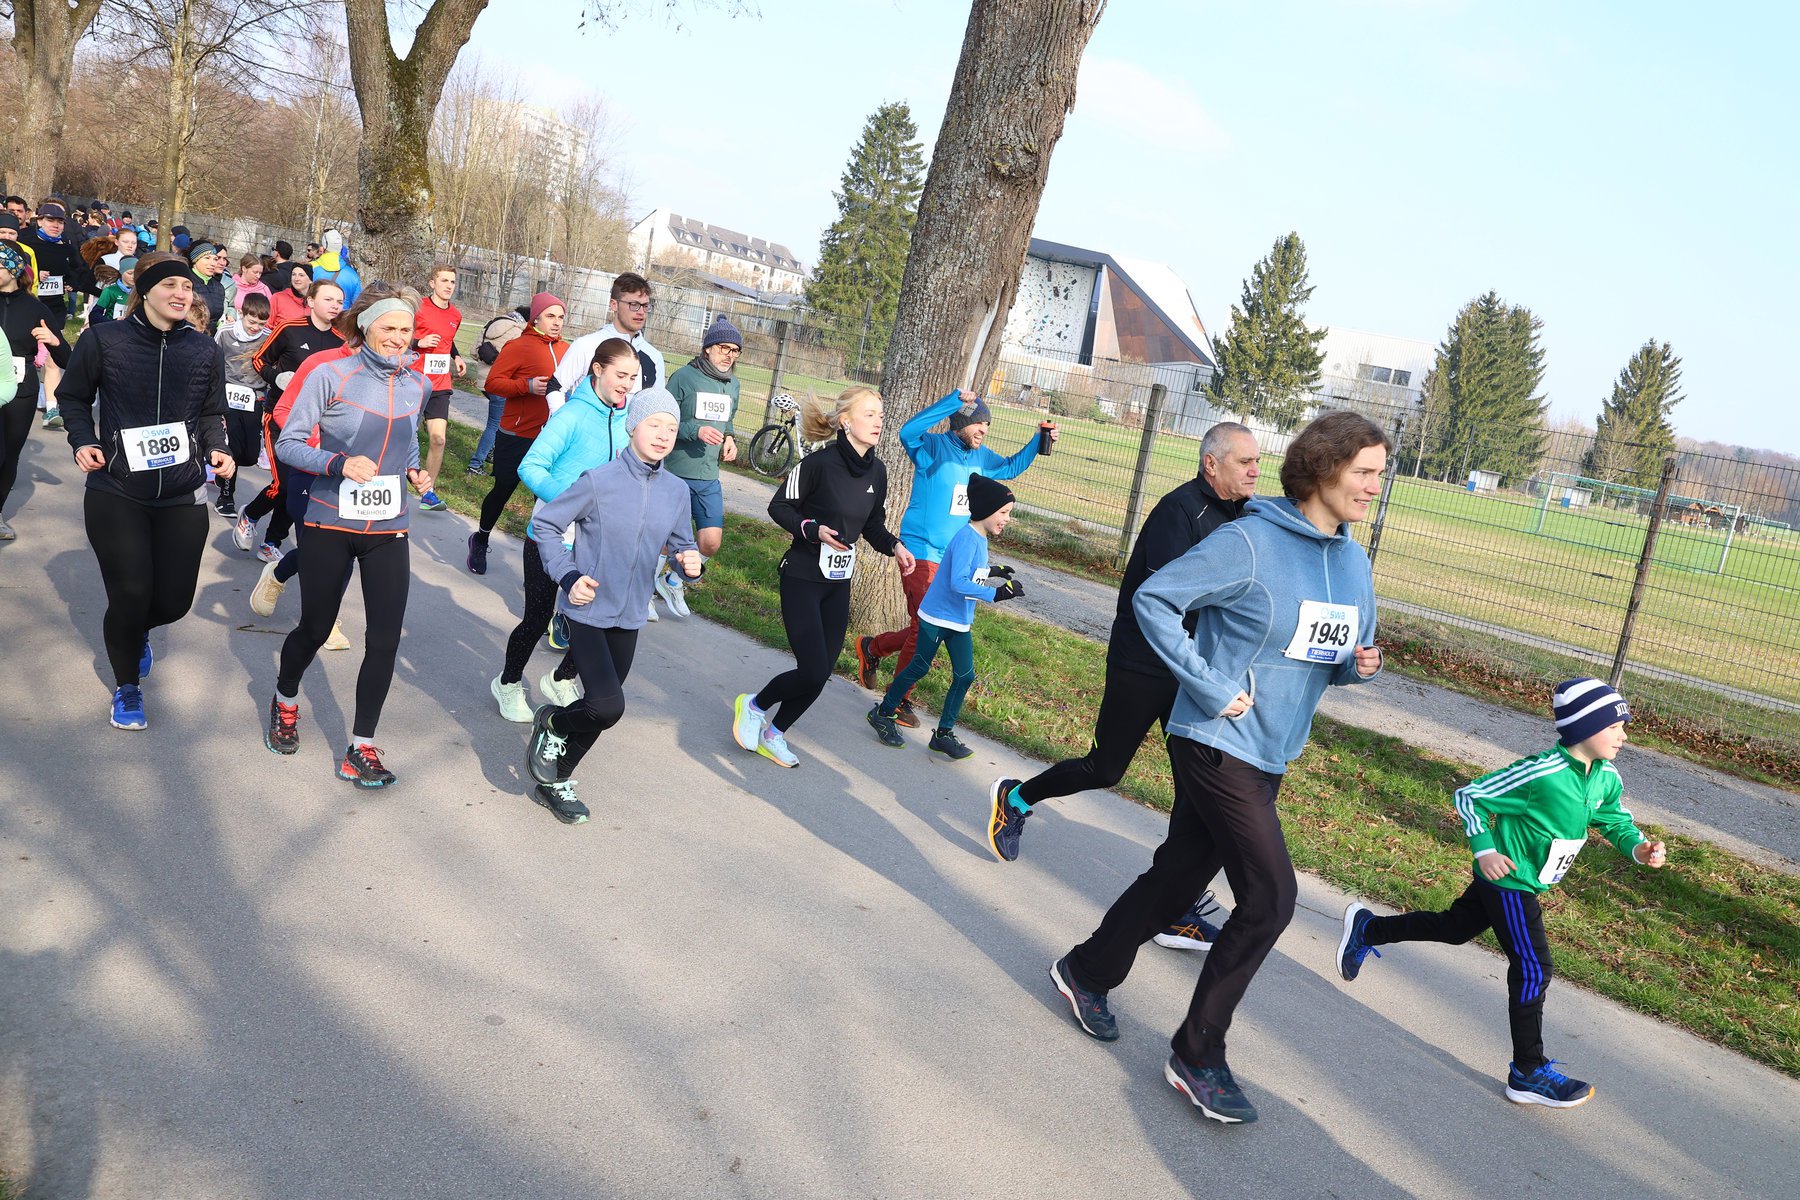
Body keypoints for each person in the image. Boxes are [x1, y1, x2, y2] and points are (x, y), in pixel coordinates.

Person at [1048, 410, 1388, 1127]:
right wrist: (1207, 683)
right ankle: (1198, 1051)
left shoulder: (1354, 563)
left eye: (1378, 475)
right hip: (1213, 738)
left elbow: (1328, 659)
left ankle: (1087, 969)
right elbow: (1154, 599)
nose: (1373, 486)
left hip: (1272, 750)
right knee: (1271, 899)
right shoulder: (1249, 542)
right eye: (1364, 472)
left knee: (1179, 876)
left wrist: (1359, 666)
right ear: (1323, 468)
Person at [1337, 678, 1667, 1110]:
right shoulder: (1540, 773)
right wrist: (1485, 849)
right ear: (1584, 727)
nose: (1623, 736)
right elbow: (1469, 797)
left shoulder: (1605, 776)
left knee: (1455, 928)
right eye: (1614, 727)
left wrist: (1639, 849)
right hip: (1509, 880)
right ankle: (1528, 1071)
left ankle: (1368, 929)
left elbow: (1614, 819)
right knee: (1533, 968)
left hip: (1527, 880)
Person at [987, 422, 1260, 872]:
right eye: (1245, 462)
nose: (1255, 471)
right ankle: (1016, 797)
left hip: (1195, 671)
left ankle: (1174, 893)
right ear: (1211, 464)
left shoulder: (1243, 515)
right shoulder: (1180, 511)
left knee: (1194, 786)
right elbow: (1166, 595)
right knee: (1105, 768)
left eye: (1257, 463)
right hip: (1145, 662)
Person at [58, 252, 235, 729]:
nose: (181, 294)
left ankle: (135, 631)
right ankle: (127, 688)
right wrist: (84, 440)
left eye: (188, 287)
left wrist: (218, 448)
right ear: (146, 291)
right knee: (131, 592)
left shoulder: (203, 350)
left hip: (181, 491)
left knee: (174, 601)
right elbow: (72, 396)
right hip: (117, 488)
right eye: (171, 285)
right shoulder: (104, 340)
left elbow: (210, 412)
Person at [263, 291, 431, 786]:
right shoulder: (330, 374)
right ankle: (285, 700)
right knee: (316, 627)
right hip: (329, 521)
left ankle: (361, 746)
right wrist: (338, 463)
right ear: (366, 329)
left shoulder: (417, 384)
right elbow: (289, 444)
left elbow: (407, 438)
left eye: (406, 330)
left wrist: (414, 470)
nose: (398, 339)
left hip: (388, 526)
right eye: (389, 329)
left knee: (384, 639)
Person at [523, 388, 703, 823]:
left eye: (671, 428)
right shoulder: (598, 481)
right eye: (654, 424)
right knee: (607, 706)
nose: (663, 435)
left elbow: (682, 545)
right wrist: (568, 576)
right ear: (633, 427)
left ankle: (556, 780)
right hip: (586, 609)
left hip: (631, 614)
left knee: (600, 709)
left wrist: (690, 564)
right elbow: (545, 525)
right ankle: (552, 722)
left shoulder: (677, 491)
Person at [731, 387, 917, 768]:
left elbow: (872, 525)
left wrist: (895, 546)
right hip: (802, 575)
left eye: (880, 415)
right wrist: (813, 530)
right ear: (846, 421)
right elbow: (778, 507)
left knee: (821, 673)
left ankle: (774, 733)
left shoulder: (878, 472)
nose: (878, 422)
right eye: (869, 414)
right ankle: (754, 705)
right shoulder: (818, 464)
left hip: (837, 584)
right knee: (813, 668)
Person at [856, 389, 1055, 728]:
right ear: (961, 422)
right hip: (921, 551)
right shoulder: (931, 448)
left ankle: (873, 648)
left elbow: (1010, 467)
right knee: (925, 627)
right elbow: (907, 432)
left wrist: (1039, 440)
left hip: (953, 559)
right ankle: (898, 699)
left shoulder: (980, 456)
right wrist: (953, 402)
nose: (984, 430)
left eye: (987, 425)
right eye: (979, 423)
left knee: (929, 626)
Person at [493, 338, 638, 722]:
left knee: (595, 619)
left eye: (632, 377)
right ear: (598, 370)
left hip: (597, 542)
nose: (627, 384)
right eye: (621, 375)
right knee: (537, 618)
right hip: (552, 536)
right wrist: (573, 502)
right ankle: (508, 683)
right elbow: (530, 466)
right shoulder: (571, 415)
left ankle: (561, 678)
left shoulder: (628, 421)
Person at [866, 474, 1023, 760]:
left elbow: (969, 571)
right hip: (937, 617)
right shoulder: (966, 538)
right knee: (918, 667)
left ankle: (943, 735)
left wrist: (994, 571)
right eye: (1003, 512)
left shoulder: (980, 538)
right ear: (987, 510)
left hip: (959, 620)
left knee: (965, 676)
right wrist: (997, 594)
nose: (1007, 519)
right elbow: (957, 582)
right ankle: (883, 713)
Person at [235, 279, 346, 560]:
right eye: (329, 299)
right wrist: (277, 377)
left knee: (297, 487)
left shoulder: (340, 341)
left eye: (339, 301)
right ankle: (250, 515)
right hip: (279, 413)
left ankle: (272, 542)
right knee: (283, 484)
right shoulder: (289, 329)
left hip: (316, 423)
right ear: (311, 301)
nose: (335, 306)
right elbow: (259, 360)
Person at [467, 292, 567, 575]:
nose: (557, 322)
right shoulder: (519, 345)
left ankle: (538, 567)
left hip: (551, 438)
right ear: (535, 319)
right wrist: (527, 386)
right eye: (550, 316)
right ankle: (481, 539)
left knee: (543, 501)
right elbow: (494, 383)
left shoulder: (567, 350)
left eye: (561, 317)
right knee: (503, 489)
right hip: (517, 433)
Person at [655, 314, 741, 620]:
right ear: (707, 349)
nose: (729, 355)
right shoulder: (683, 378)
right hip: (675, 472)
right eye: (723, 348)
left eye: (735, 350)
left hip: (708, 476)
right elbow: (663, 421)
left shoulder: (733, 384)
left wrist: (729, 438)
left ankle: (672, 581)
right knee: (664, 540)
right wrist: (696, 430)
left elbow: (728, 420)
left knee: (710, 542)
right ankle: (643, 592)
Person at [0, 241, 70, 539]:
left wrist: (53, 341)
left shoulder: (35, 308)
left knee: (8, 456)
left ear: (14, 268)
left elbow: (67, 358)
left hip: (21, 391)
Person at [23, 199, 96, 431]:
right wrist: (34, 275)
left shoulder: (67, 246)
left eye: (59, 222)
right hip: (27, 306)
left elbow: (78, 271)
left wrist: (71, 284)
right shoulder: (27, 243)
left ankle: (52, 409)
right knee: (22, 357)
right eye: (50, 220)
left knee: (53, 359)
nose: (55, 225)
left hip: (54, 308)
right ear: (39, 221)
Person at [552, 271, 663, 400]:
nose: (641, 312)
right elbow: (556, 386)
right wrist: (565, 414)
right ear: (614, 305)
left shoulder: (654, 357)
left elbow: (657, 403)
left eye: (645, 306)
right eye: (634, 305)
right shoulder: (585, 345)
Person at [411, 263, 466, 512]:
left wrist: (457, 356)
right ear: (432, 283)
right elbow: (401, 336)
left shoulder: (456, 315)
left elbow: (448, 340)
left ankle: (428, 492)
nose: (449, 286)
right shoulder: (418, 307)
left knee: (439, 439)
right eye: (444, 281)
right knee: (402, 435)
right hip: (413, 381)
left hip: (440, 384)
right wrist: (418, 342)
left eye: (452, 282)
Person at [212, 291, 272, 517]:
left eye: (261, 323)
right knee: (234, 449)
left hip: (254, 397)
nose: (256, 327)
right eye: (251, 321)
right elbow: (213, 361)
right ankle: (226, 497)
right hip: (228, 395)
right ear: (241, 313)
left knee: (249, 455)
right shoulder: (225, 333)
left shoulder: (269, 337)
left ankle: (222, 474)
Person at [466, 304, 529, 475]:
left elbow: (473, 352)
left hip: (484, 381)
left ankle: (489, 453)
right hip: (500, 383)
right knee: (495, 424)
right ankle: (475, 464)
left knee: (500, 421)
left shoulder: (492, 323)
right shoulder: (518, 332)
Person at [310, 230, 362, 305]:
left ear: (324, 246)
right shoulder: (352, 274)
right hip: (342, 312)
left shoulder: (310, 267)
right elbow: (357, 304)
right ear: (341, 247)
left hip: (316, 311)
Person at [187, 240, 227, 335]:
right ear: (195, 260)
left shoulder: (219, 287)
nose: (213, 263)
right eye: (207, 258)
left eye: (215, 259)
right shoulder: (186, 282)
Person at [269, 262, 313, 328]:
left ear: (310, 280)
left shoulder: (316, 301)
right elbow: (266, 325)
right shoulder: (278, 298)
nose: (296, 279)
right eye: (294, 274)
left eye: (301, 275)